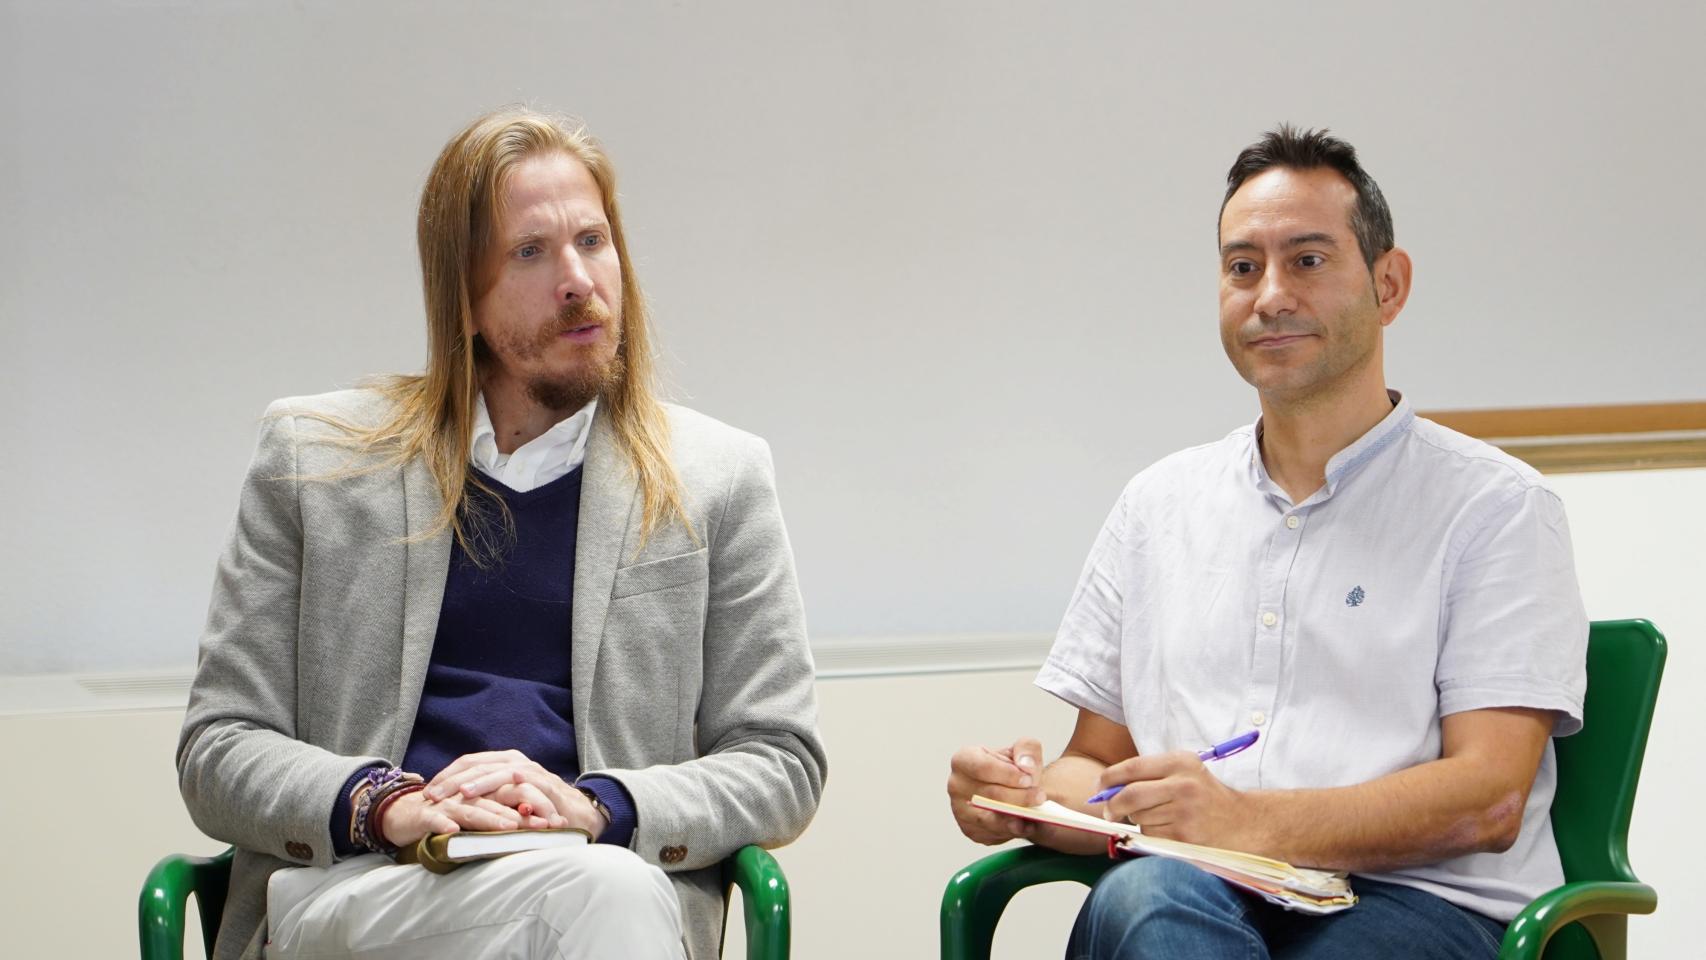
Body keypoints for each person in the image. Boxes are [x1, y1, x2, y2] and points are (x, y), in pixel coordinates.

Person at [178, 106, 827, 960]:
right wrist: (383, 803)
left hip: (601, 874)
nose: (578, 280)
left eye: (594, 242)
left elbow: (782, 760)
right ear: (464, 298)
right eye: (531, 252)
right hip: (367, 889)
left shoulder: (721, 476)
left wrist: (602, 808)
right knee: (608, 901)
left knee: (607, 892)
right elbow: (219, 745)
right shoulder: (316, 460)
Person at [946, 125, 1588, 959]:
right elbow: (1095, 764)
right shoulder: (1157, 507)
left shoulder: (1496, 506)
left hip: (1418, 906)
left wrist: (1243, 821)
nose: (1269, 295)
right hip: (1193, 893)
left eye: (1309, 261)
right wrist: (1025, 796)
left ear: (1389, 285)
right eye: (1242, 267)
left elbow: (1488, 799)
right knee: (1146, 896)